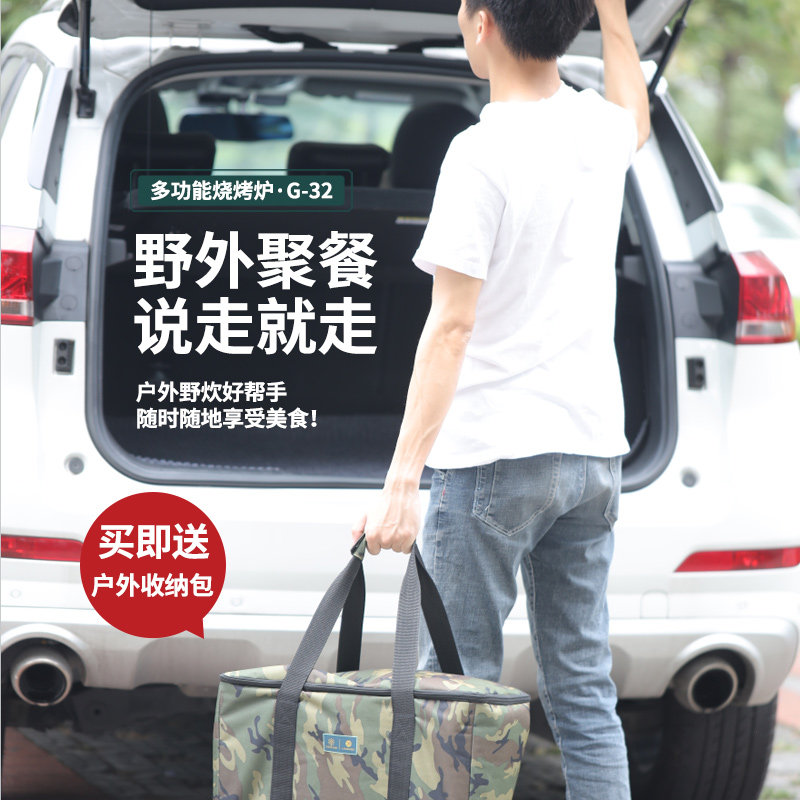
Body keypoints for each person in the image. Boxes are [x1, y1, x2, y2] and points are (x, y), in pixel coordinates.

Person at [353, 0, 650, 797]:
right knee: (583, 689)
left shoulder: (480, 153)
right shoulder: (598, 131)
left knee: (456, 695)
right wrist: (613, 17)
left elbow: (451, 327)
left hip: (493, 459)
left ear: (482, 23)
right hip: (592, 456)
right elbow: (637, 115)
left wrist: (401, 482)